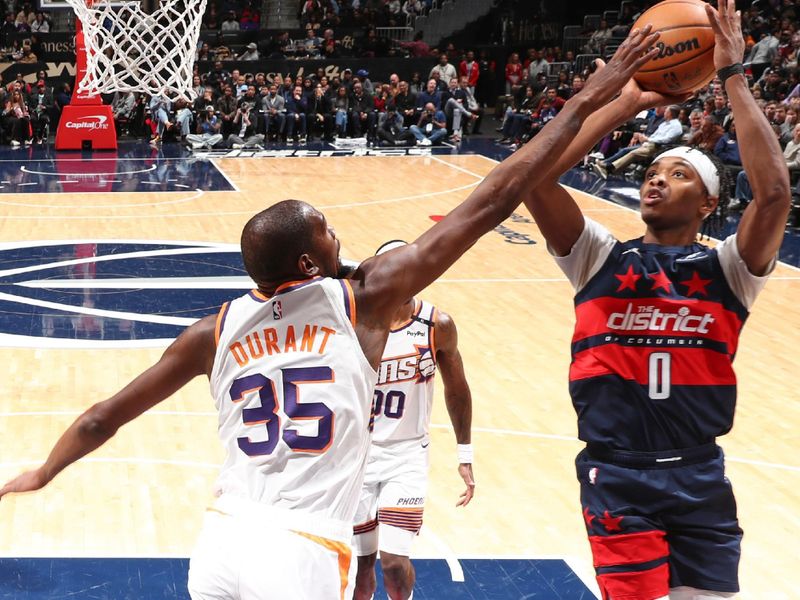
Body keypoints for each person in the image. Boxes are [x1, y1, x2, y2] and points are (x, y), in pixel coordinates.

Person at [0, 27, 661, 600]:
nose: (339, 235)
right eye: (327, 233)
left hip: (222, 540)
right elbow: (497, 194)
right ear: (312, 265)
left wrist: (43, 471)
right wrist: (594, 92)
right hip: (301, 549)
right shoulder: (365, 298)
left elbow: (98, 417)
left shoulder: (211, 333)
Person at [520, 3, 790, 598]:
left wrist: (733, 75)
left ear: (707, 206)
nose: (657, 178)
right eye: (654, 170)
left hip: (699, 473)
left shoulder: (728, 271)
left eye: (680, 174)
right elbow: (535, 179)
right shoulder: (599, 257)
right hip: (617, 474)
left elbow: (773, 195)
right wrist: (622, 103)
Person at [351, 242, 474, 600]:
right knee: (361, 570)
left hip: (406, 455)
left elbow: (458, 390)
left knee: (392, 562)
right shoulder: (355, 321)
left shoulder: (437, 325)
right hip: (358, 456)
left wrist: (465, 453)